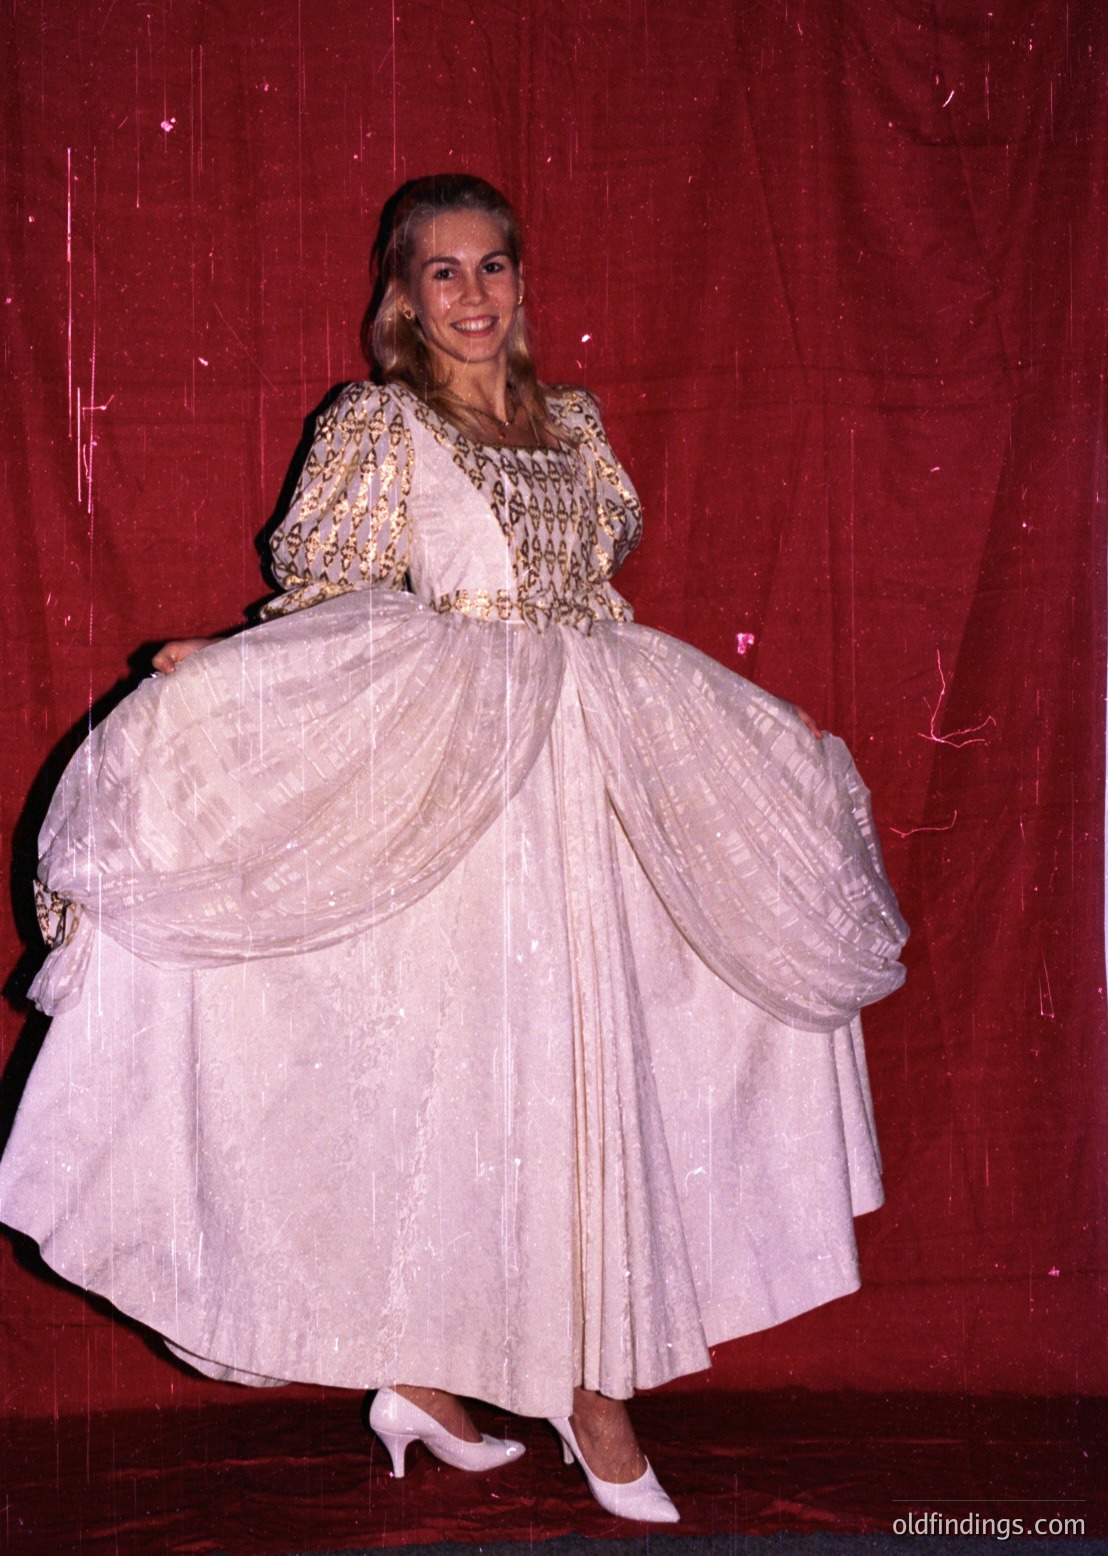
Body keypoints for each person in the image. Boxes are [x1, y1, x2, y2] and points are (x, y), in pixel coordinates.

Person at [0, 174, 907, 1524]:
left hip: (594, 754)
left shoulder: (576, 426)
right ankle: (540, 1384)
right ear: (403, 295)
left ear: (522, 284)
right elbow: (335, 591)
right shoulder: (379, 422)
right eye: (444, 273)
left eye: (495, 268)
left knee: (586, 1062)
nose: (474, 295)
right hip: (457, 776)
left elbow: (596, 587)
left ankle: (469, 1378)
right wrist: (228, 670)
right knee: (478, 1064)